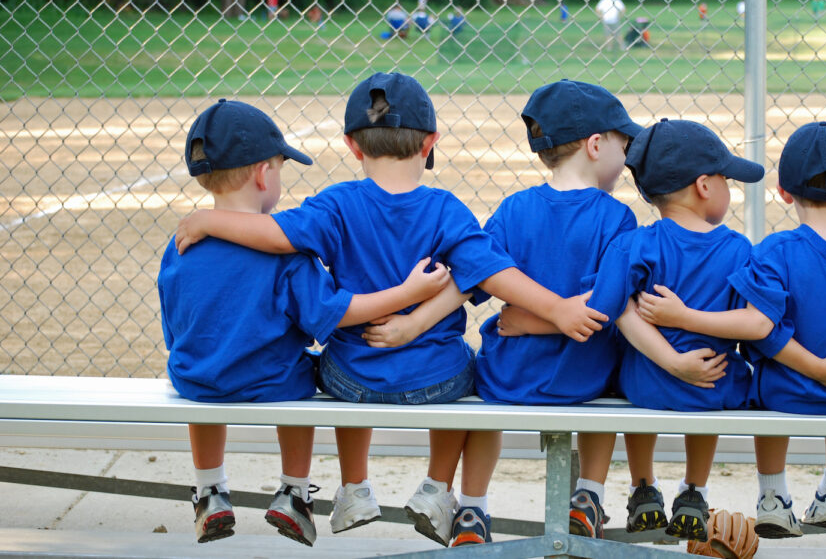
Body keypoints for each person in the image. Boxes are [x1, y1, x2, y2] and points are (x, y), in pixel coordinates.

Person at [173, 72, 608, 547]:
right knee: (470, 364)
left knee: (335, 354)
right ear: (430, 143)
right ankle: (437, 489)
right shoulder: (445, 208)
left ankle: (355, 487)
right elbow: (490, 272)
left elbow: (276, 235)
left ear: (353, 146)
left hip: (350, 381)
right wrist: (558, 309)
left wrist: (209, 218)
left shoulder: (336, 204)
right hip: (435, 381)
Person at [159, 99, 451, 546]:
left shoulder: (180, 244)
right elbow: (334, 314)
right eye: (279, 168)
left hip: (196, 380)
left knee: (202, 370)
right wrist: (408, 296)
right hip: (271, 383)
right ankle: (293, 492)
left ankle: (210, 490)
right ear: (263, 175)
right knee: (304, 370)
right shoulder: (287, 256)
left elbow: (176, 331)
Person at [649, 122, 826, 539]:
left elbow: (763, 332)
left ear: (783, 191)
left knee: (762, 391)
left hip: (787, 396)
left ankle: (772, 498)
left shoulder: (776, 251)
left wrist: (813, 369)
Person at [444, 80, 672, 546]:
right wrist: (561, 319)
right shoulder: (616, 217)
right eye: (622, 144)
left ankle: (472, 508)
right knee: (613, 378)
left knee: (482, 393)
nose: (627, 158)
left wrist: (530, 321)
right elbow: (605, 307)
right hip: (583, 378)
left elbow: (480, 279)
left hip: (509, 378)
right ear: (595, 145)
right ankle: (588, 495)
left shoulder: (513, 208)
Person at [583, 119, 767, 542]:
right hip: (712, 385)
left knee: (627, 376)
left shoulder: (635, 244)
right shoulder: (739, 249)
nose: (728, 188)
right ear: (704, 186)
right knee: (716, 384)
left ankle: (643, 487)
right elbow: (753, 324)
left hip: (645, 385)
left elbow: (610, 308)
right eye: (726, 179)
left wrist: (668, 360)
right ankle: (694, 491)